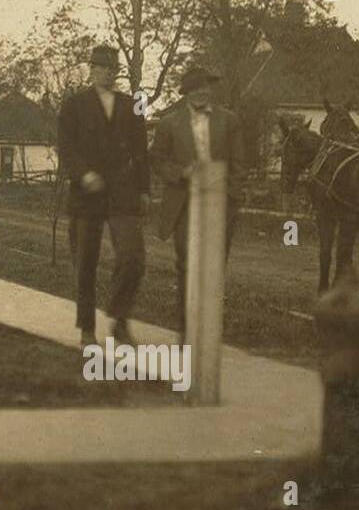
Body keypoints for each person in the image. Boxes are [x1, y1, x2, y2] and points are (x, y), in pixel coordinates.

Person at [56, 44, 149, 348]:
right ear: (92, 70)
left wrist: (144, 189)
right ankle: (86, 328)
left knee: (133, 258)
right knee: (86, 262)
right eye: (102, 67)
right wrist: (84, 174)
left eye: (113, 68)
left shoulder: (131, 105)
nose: (108, 73)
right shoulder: (74, 105)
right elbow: (66, 148)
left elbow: (141, 151)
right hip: (87, 194)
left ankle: (119, 318)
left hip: (123, 192)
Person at [151, 65, 245, 329]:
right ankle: (187, 328)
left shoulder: (229, 120)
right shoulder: (169, 123)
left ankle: (209, 329)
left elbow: (239, 164)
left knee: (214, 267)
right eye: (195, 88)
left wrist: (231, 199)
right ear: (186, 93)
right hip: (184, 202)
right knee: (187, 264)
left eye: (205, 87)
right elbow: (157, 159)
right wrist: (180, 173)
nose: (201, 92)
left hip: (219, 203)